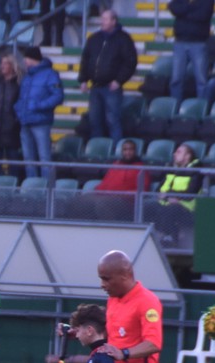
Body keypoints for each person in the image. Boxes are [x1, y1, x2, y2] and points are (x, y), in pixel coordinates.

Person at [78, 10, 137, 143]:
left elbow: (130, 62)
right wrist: (83, 79)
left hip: (112, 88)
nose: (102, 22)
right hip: (95, 87)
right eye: (102, 18)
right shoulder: (94, 38)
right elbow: (86, 59)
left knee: (113, 121)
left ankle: (116, 152)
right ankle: (96, 153)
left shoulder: (123, 39)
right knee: (94, 121)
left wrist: (119, 81)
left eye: (105, 19)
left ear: (113, 21)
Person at [14, 47, 64, 181]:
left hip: (41, 122)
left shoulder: (50, 74)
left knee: (44, 157)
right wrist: (18, 109)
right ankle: (33, 187)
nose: (24, 61)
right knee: (28, 157)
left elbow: (58, 96)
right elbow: (22, 97)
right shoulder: (27, 76)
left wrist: (39, 106)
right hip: (25, 121)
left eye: (26, 58)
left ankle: (46, 188)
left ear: (32, 59)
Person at [144, 143, 202, 246]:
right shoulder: (171, 170)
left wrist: (169, 195)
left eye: (179, 152)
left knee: (172, 208)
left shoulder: (196, 172)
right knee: (146, 205)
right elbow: (158, 190)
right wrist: (169, 196)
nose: (174, 154)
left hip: (187, 208)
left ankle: (166, 238)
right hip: (165, 203)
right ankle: (145, 237)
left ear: (187, 156)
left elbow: (191, 193)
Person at [86, 139, 150, 221]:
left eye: (130, 149)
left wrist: (119, 195)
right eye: (125, 150)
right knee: (83, 200)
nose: (128, 152)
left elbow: (142, 190)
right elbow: (105, 183)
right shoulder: (116, 165)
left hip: (126, 202)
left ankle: (108, 229)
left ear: (135, 151)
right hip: (107, 197)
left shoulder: (141, 168)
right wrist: (96, 192)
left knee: (102, 203)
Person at [168, 0, 214, 101]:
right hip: (180, 42)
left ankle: (201, 107)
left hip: (199, 43)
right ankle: (175, 106)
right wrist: (192, 7)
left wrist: (183, 12)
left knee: (202, 80)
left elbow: (203, 15)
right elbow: (172, 7)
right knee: (176, 79)